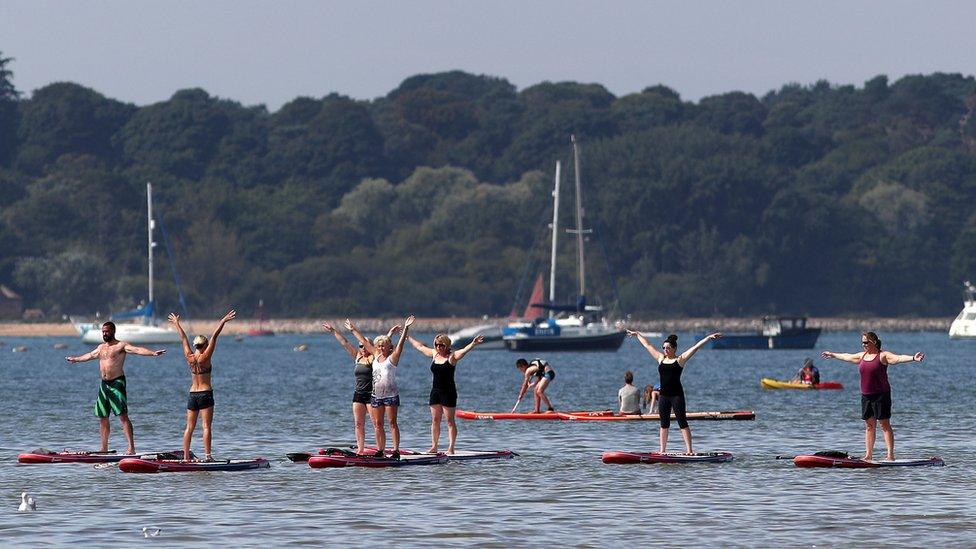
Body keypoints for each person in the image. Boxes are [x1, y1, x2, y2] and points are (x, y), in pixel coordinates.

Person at [64, 321, 166, 454]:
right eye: (103, 332)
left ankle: (131, 448)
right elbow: (90, 355)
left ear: (113, 331)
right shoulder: (101, 348)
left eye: (106, 331)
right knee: (102, 416)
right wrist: (76, 359)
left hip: (117, 383)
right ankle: (104, 448)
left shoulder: (120, 346)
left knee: (123, 416)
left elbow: (136, 350)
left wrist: (152, 353)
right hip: (104, 385)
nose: (104, 334)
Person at [821, 331, 924, 461]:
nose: (863, 345)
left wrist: (913, 358)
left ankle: (890, 455)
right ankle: (868, 455)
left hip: (881, 395)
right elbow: (847, 356)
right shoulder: (862, 356)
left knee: (884, 425)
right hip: (866, 396)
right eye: (862, 342)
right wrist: (833, 355)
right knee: (869, 426)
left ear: (873, 342)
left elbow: (898, 358)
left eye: (866, 342)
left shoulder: (883, 356)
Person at [627, 331, 722, 454]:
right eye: (664, 347)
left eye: (668, 347)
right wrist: (637, 334)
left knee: (682, 422)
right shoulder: (661, 358)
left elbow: (695, 347)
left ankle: (689, 450)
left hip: (677, 395)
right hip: (663, 396)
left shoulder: (680, 360)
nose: (665, 349)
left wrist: (708, 338)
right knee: (664, 424)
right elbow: (648, 345)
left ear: (674, 348)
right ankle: (662, 450)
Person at [323, 320, 399, 455]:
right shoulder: (357, 356)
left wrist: (390, 335)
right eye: (360, 346)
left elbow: (382, 345)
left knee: (377, 424)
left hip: (372, 395)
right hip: (358, 394)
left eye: (364, 346)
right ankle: (361, 448)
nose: (362, 348)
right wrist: (333, 331)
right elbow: (345, 343)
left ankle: (380, 449)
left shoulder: (375, 358)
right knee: (358, 424)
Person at [168, 311, 235, 461]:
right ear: (204, 345)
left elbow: (183, 338)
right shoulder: (206, 356)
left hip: (192, 394)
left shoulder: (189, 357)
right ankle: (208, 456)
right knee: (206, 426)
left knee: (189, 427)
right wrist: (223, 320)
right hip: (205, 393)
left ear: (195, 345)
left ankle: (186, 457)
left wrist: (176, 323)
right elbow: (215, 336)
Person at [407, 332, 486, 454]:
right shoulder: (434, 354)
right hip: (435, 392)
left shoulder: (452, 357)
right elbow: (420, 347)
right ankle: (434, 446)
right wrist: (407, 337)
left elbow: (463, 351)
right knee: (435, 420)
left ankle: (451, 447)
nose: (439, 347)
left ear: (447, 346)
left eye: (441, 345)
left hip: (448, 392)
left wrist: (473, 344)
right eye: (437, 345)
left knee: (450, 421)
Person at [369, 315, 414, 458]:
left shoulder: (392, 358)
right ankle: (380, 450)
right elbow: (370, 342)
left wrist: (406, 328)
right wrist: (352, 329)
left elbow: (400, 345)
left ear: (389, 347)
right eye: (379, 346)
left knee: (392, 423)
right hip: (376, 395)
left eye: (384, 346)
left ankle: (395, 450)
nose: (381, 348)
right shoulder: (376, 356)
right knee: (378, 424)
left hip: (390, 395)